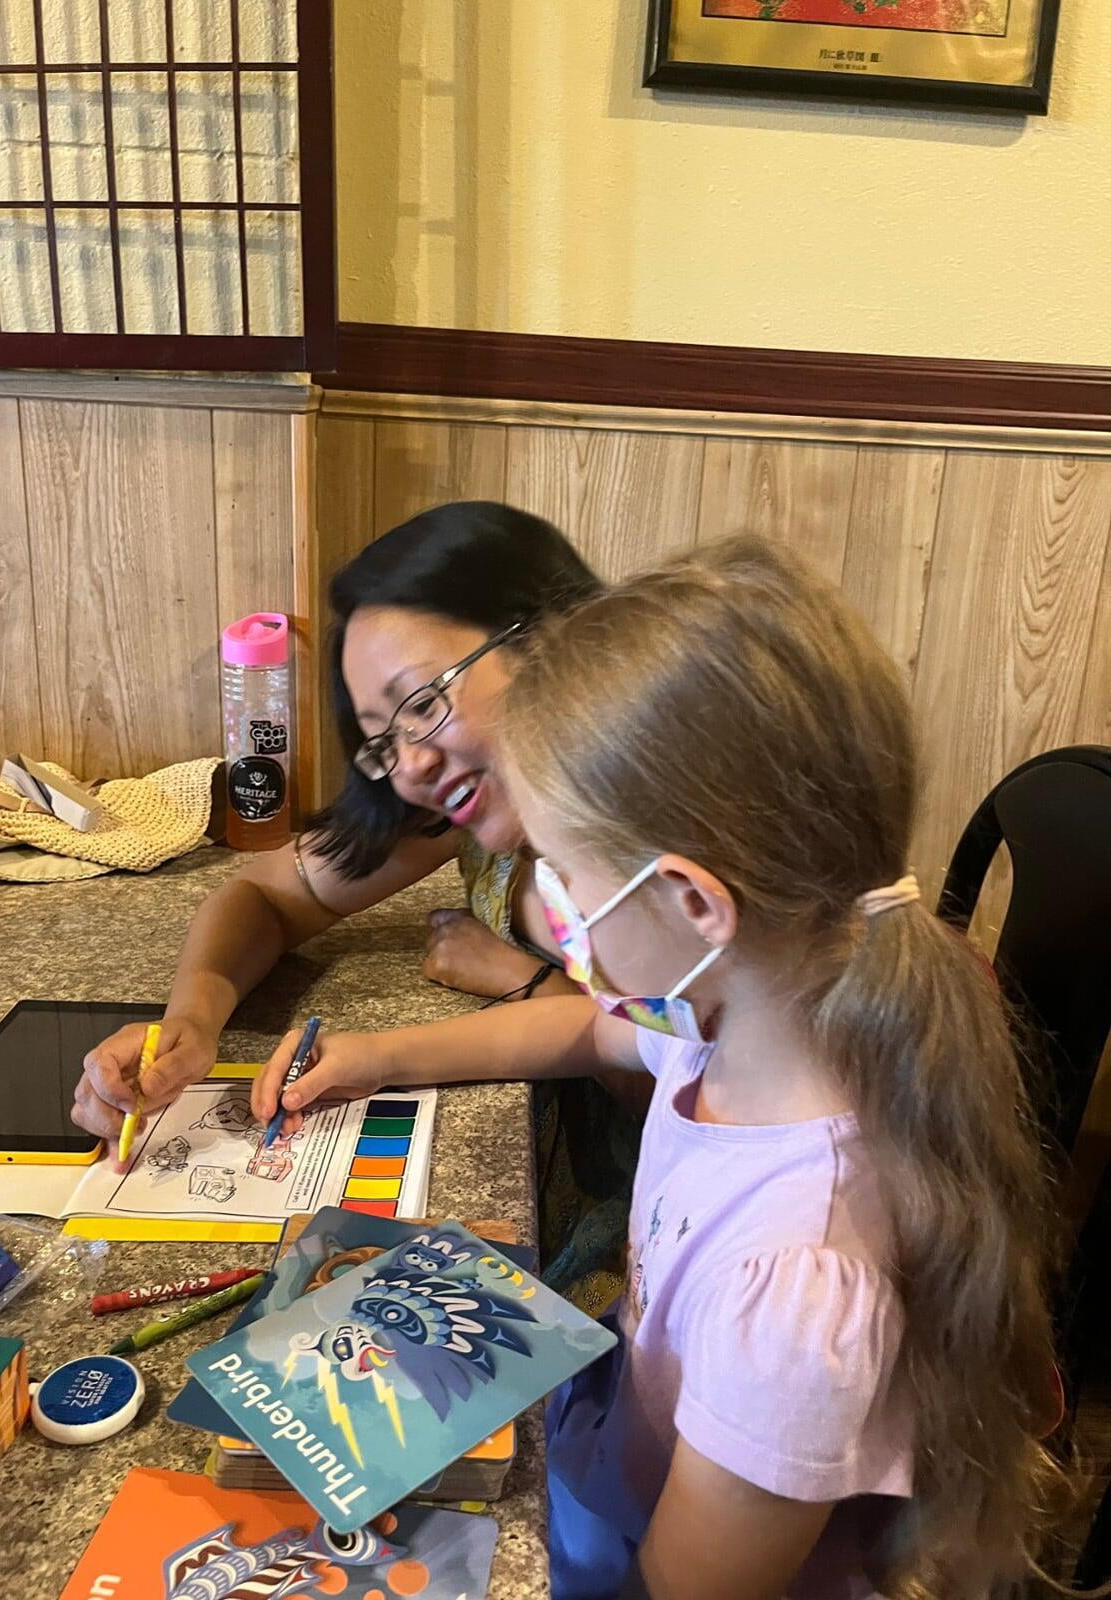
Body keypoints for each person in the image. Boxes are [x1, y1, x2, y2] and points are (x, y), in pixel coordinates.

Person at [252, 536, 1065, 1600]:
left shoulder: (795, 1292)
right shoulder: (734, 1011)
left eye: (561, 869)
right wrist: (378, 1056)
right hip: (621, 1453)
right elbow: (587, 1032)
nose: (549, 908)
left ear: (692, 903)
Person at [72, 500, 642, 1313]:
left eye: (422, 700)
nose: (409, 764)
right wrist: (194, 1022)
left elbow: (670, 1059)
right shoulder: (467, 798)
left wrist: (525, 984)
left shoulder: (655, 826)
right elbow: (266, 892)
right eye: (382, 737)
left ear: (548, 637)